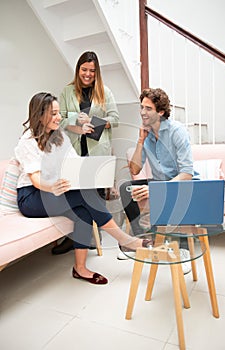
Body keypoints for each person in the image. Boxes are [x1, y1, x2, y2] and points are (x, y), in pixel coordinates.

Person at [15, 92, 151, 285]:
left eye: (58, 113)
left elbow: (75, 163)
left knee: (83, 208)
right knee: (84, 196)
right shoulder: (27, 141)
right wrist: (52, 186)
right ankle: (127, 241)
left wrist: (96, 175)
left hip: (55, 190)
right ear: (39, 115)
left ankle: (80, 268)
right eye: (53, 114)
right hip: (31, 196)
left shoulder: (59, 136)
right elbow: (36, 179)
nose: (59, 117)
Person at [119, 88, 195, 274]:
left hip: (180, 183)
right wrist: (139, 141)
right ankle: (142, 242)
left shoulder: (177, 131)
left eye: (148, 108)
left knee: (178, 193)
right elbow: (135, 169)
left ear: (160, 112)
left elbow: (187, 173)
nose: (143, 112)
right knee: (125, 188)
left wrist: (156, 190)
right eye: (141, 107)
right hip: (160, 182)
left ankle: (182, 251)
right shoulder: (147, 135)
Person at [52, 51, 119, 254]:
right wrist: (76, 121)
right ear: (78, 69)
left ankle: (91, 237)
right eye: (84, 69)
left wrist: (94, 123)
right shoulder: (67, 92)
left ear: (96, 72)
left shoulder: (105, 92)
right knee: (74, 194)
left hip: (97, 150)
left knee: (95, 195)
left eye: (92, 70)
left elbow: (115, 119)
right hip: (73, 150)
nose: (88, 74)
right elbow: (60, 121)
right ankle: (77, 237)